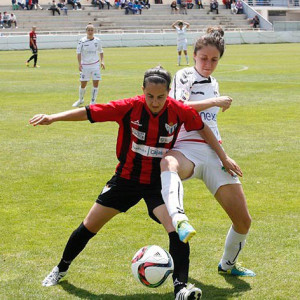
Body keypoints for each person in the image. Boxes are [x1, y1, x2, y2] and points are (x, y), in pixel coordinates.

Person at [28, 66, 218, 299]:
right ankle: (61, 268)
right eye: (150, 96)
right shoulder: (129, 107)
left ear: (169, 92)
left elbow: (203, 128)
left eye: (161, 97)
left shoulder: (178, 111)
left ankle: (181, 288)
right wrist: (52, 118)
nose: (155, 102)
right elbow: (89, 112)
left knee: (177, 230)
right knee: (89, 225)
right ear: (142, 91)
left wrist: (224, 157)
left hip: (157, 184)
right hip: (125, 180)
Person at [160, 27, 256, 277]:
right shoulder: (184, 75)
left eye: (214, 60)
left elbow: (208, 123)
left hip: (214, 151)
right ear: (194, 56)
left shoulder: (213, 83)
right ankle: (179, 219)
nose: (208, 64)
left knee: (243, 220)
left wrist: (224, 155)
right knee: (167, 164)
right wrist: (215, 101)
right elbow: (179, 107)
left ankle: (228, 265)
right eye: (204, 58)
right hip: (186, 148)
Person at [72, 24, 105, 107]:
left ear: (94, 31)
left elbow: (101, 51)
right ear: (86, 31)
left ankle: (93, 101)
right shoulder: (82, 41)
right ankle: (80, 99)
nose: (90, 32)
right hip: (85, 65)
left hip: (95, 65)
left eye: (92, 30)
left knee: (96, 83)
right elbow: (78, 53)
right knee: (83, 84)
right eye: (89, 30)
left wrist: (102, 61)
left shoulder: (98, 40)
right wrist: (79, 64)